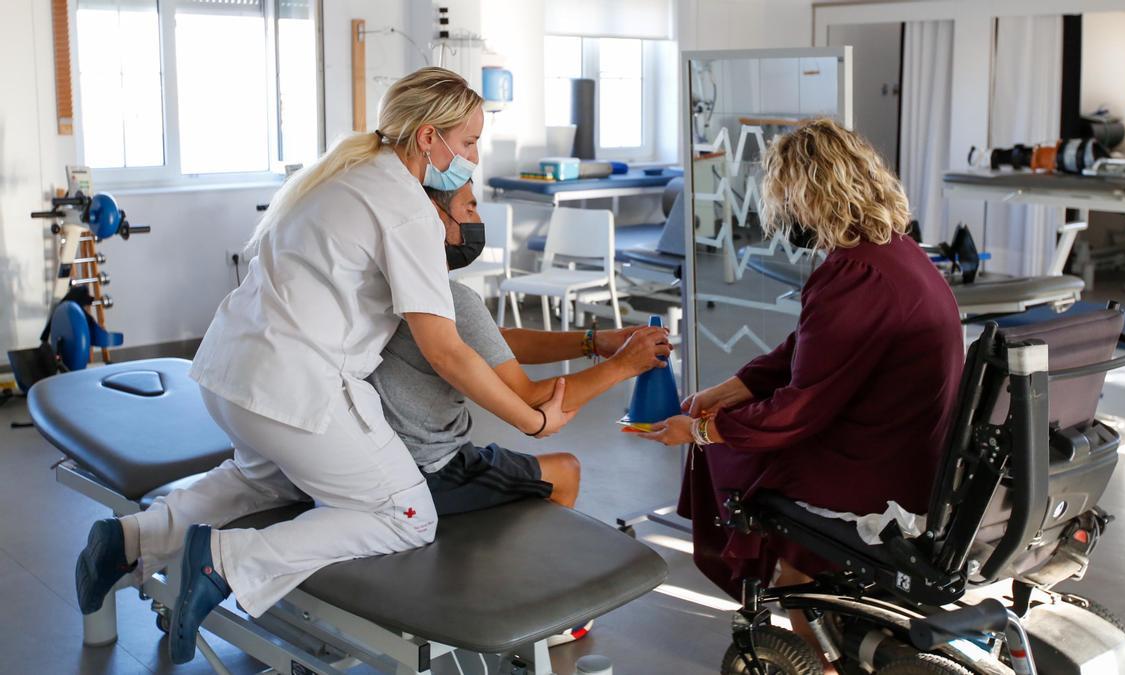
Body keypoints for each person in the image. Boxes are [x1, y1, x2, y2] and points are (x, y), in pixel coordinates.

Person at [73, 67, 577, 665]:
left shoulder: (339, 176)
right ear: (427, 139)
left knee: (263, 479)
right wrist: (531, 420)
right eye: (467, 142)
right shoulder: (407, 207)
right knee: (407, 515)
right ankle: (229, 562)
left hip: (228, 375)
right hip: (296, 390)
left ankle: (133, 538)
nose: (472, 157)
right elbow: (444, 349)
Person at [631, 119, 963, 658]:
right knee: (738, 443)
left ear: (812, 194)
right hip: (911, 445)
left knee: (739, 466)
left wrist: (700, 430)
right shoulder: (893, 252)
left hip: (877, 465)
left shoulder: (855, 275)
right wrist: (732, 390)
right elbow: (806, 351)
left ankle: (816, 635)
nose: (783, 214)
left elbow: (800, 408)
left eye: (786, 199)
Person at [369, 182, 672, 518]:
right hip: (429, 470)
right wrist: (625, 366)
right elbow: (533, 400)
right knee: (565, 470)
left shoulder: (391, 281)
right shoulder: (452, 300)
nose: (477, 218)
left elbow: (495, 340)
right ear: (432, 218)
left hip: (384, 459)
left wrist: (593, 340)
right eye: (469, 208)